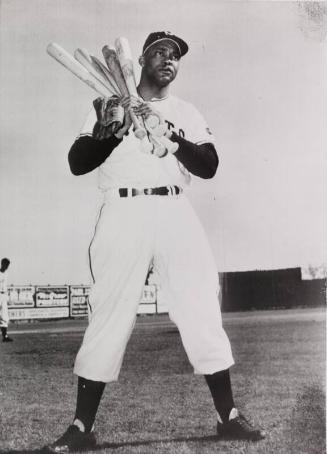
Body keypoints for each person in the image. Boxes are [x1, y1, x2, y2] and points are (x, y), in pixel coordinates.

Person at [45, 31, 265, 452]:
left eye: (176, 56)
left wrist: (169, 133)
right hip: (122, 209)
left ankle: (229, 417)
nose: (170, 60)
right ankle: (80, 427)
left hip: (174, 209)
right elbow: (77, 163)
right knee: (110, 312)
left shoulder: (186, 110)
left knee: (200, 305)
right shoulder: (107, 105)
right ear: (140, 62)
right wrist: (114, 130)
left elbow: (209, 166)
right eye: (160, 53)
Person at [0, 257, 13, 342]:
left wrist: (7, 297)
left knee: (4, 316)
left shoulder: (6, 274)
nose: (7, 266)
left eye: (8, 265)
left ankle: (5, 336)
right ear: (2, 264)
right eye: (5, 264)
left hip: (3, 295)